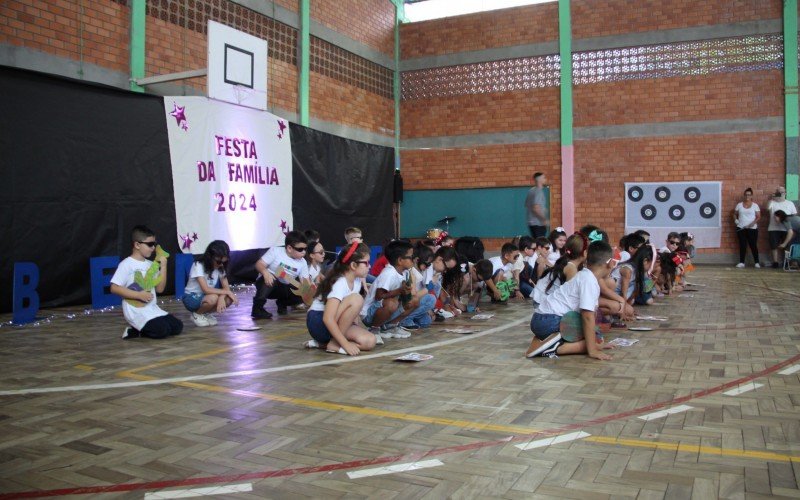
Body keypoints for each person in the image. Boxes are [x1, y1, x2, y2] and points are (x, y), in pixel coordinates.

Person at [525, 240, 615, 360]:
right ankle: (554, 347)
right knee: (595, 342)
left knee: (597, 338)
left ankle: (545, 339)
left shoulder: (586, 276)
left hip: (542, 320)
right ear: (610, 264)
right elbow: (587, 316)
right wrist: (593, 350)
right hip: (548, 321)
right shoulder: (588, 280)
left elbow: (591, 315)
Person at [110, 225, 183, 339]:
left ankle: (138, 330)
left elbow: (160, 289)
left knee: (177, 326)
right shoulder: (126, 264)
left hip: (152, 309)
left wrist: (163, 266)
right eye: (149, 244)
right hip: (136, 310)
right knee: (162, 331)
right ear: (137, 245)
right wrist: (138, 295)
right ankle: (134, 329)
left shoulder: (150, 265)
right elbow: (114, 287)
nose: (153, 248)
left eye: (154, 244)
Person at [305, 242, 378, 355]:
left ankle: (323, 344)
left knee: (370, 341)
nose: (370, 266)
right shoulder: (340, 282)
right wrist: (345, 343)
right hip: (319, 322)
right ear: (353, 265)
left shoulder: (357, 280)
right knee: (356, 299)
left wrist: (354, 331)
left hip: (334, 322)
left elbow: (352, 315)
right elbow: (327, 318)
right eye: (366, 263)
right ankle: (334, 343)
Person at [360, 240, 416, 338]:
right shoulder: (389, 274)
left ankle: (390, 326)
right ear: (400, 260)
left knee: (414, 301)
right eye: (410, 257)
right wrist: (399, 291)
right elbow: (379, 296)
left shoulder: (405, 272)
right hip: (369, 314)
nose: (413, 260)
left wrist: (406, 293)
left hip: (385, 310)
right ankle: (374, 330)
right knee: (391, 303)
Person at [251, 231, 310, 319]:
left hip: (285, 287)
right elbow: (259, 264)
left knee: (305, 292)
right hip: (268, 284)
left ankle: (282, 303)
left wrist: (310, 292)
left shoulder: (303, 262)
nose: (304, 252)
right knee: (271, 277)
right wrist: (265, 272)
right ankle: (257, 308)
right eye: (300, 249)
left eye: (305, 249)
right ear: (289, 248)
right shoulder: (275, 251)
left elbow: (305, 282)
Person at [182, 240, 238, 327]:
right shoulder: (198, 265)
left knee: (228, 299)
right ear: (210, 257)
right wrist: (225, 293)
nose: (221, 264)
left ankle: (205, 313)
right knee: (213, 297)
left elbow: (226, 288)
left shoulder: (220, 267)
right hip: (191, 297)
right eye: (218, 261)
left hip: (207, 296)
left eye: (224, 262)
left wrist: (221, 298)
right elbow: (206, 289)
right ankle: (197, 314)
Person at [767, 187, 798, 268]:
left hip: (786, 229)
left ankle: (788, 262)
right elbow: (767, 208)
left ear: (785, 193)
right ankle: (775, 262)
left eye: (781, 192)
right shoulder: (772, 202)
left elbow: (794, 215)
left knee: (788, 245)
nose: (780, 193)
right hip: (773, 228)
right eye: (778, 192)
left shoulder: (790, 203)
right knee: (774, 245)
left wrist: (784, 243)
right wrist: (772, 198)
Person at [734, 187, 761, 268]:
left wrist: (752, 224)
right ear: (744, 195)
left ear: (751, 196)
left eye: (749, 195)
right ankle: (742, 262)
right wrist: (736, 220)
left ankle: (756, 262)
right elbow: (734, 214)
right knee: (742, 245)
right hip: (741, 228)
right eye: (746, 195)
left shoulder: (755, 205)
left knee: (753, 245)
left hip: (752, 229)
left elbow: (758, 217)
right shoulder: (739, 205)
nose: (747, 196)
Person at [525, 172, 549, 238]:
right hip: (538, 223)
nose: (545, 179)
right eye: (544, 178)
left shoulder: (531, 191)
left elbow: (527, 205)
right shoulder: (539, 192)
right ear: (539, 180)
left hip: (531, 223)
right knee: (540, 244)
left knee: (536, 243)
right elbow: (536, 208)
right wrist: (544, 219)